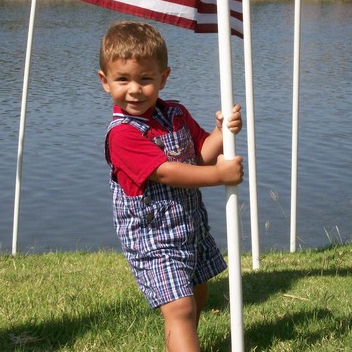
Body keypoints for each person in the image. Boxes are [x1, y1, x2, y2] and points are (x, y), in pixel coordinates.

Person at [98, 21, 244, 351]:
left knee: (198, 293)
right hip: (154, 238)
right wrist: (219, 176)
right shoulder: (122, 134)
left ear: (163, 78)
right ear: (105, 81)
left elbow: (200, 156)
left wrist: (222, 133)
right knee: (180, 307)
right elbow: (165, 173)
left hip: (190, 227)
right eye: (123, 79)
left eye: (145, 79)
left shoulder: (175, 114)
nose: (134, 89)